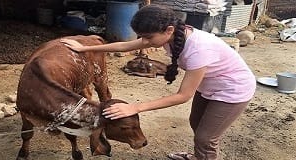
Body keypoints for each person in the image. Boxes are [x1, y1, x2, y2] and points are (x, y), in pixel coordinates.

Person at [60, 4, 256, 160]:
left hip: (232, 90)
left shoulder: (199, 49)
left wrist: (136, 107)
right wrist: (84, 48)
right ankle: (199, 156)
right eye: (141, 36)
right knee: (196, 124)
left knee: (206, 138)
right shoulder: (171, 35)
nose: (144, 42)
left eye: (148, 37)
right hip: (210, 87)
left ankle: (204, 155)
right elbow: (125, 45)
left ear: (169, 30)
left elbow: (183, 96)